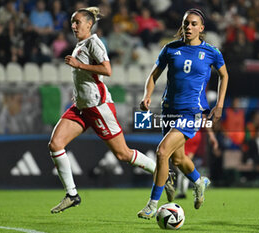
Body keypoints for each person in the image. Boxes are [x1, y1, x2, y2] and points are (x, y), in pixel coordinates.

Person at [49, 7, 174, 214]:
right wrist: (79, 92)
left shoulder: (94, 43)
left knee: (123, 154)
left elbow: (107, 70)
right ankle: (72, 194)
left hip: (98, 107)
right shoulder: (80, 45)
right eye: (72, 22)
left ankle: (163, 173)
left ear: (89, 24)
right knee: (55, 144)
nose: (73, 26)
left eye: (77, 22)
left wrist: (79, 65)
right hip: (81, 106)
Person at [138, 8, 229, 219]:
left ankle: (152, 204)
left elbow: (224, 76)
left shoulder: (211, 52)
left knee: (162, 152)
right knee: (178, 159)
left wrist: (220, 104)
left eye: (194, 24)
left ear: (201, 28)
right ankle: (199, 182)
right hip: (169, 109)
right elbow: (153, 75)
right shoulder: (170, 49)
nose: (189, 27)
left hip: (192, 112)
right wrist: (146, 96)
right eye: (186, 23)